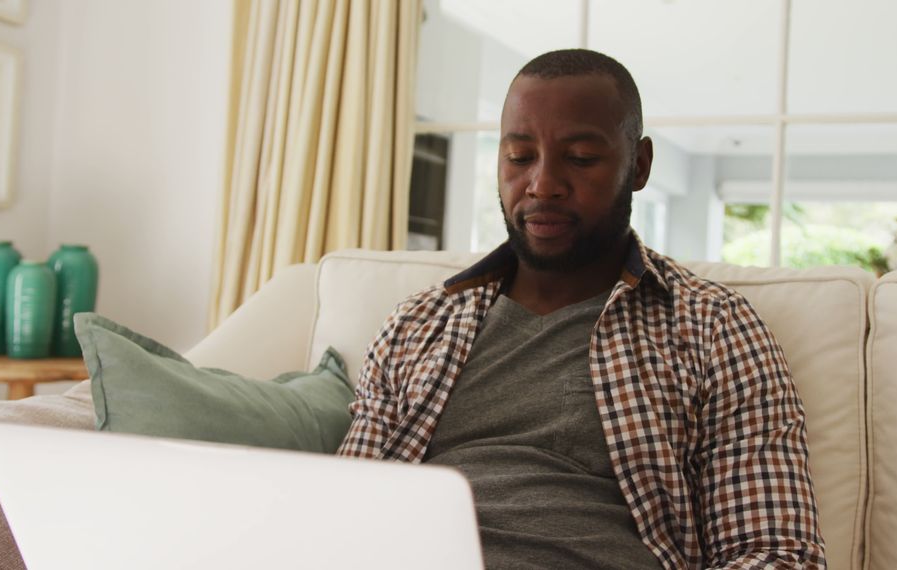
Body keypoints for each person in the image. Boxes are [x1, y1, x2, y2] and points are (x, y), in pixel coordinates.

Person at [338, 49, 826, 569]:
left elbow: (778, 553)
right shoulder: (417, 325)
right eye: (520, 157)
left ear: (638, 166)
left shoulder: (712, 326)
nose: (542, 185)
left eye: (581, 159)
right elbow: (340, 516)